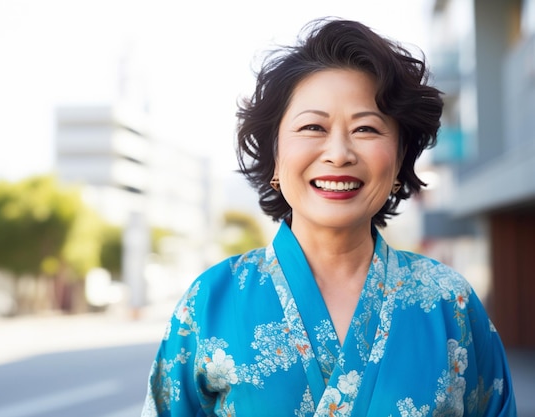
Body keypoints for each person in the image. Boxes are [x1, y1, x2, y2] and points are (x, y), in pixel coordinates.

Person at [141, 18, 517, 416]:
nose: (339, 153)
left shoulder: (448, 303)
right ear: (275, 156)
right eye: (313, 127)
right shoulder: (211, 301)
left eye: (367, 129)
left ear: (400, 157)